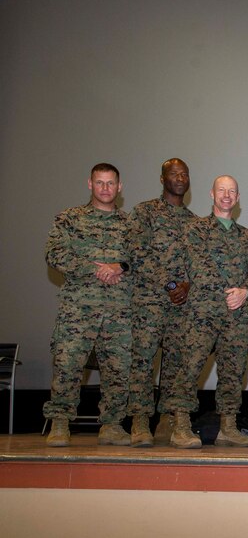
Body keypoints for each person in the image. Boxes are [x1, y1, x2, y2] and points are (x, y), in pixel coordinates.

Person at [43, 163, 133, 447]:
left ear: (119, 187)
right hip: (77, 310)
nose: (105, 188)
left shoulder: (131, 225)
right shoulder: (70, 219)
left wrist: (120, 266)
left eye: (110, 183)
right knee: (67, 365)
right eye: (100, 183)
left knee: (119, 369)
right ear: (90, 184)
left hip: (119, 311)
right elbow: (54, 254)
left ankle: (112, 425)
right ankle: (59, 423)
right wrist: (94, 268)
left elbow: (143, 261)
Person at [166, 176, 248, 449]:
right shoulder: (195, 229)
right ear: (212, 194)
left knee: (233, 372)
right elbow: (198, 267)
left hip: (236, 315)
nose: (227, 195)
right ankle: (180, 426)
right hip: (203, 313)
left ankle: (228, 428)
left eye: (232, 191)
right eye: (222, 190)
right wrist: (227, 291)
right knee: (190, 367)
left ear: (238, 197)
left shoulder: (245, 236)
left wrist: (244, 291)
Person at [125, 158, 195, 447]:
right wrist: (169, 285)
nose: (179, 178)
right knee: (143, 361)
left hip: (182, 305)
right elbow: (138, 253)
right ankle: (140, 422)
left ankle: (168, 421)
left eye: (184, 174)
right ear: (162, 178)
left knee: (177, 364)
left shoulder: (194, 222)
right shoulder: (144, 212)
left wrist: (187, 285)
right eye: (173, 173)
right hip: (149, 302)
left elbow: (196, 263)